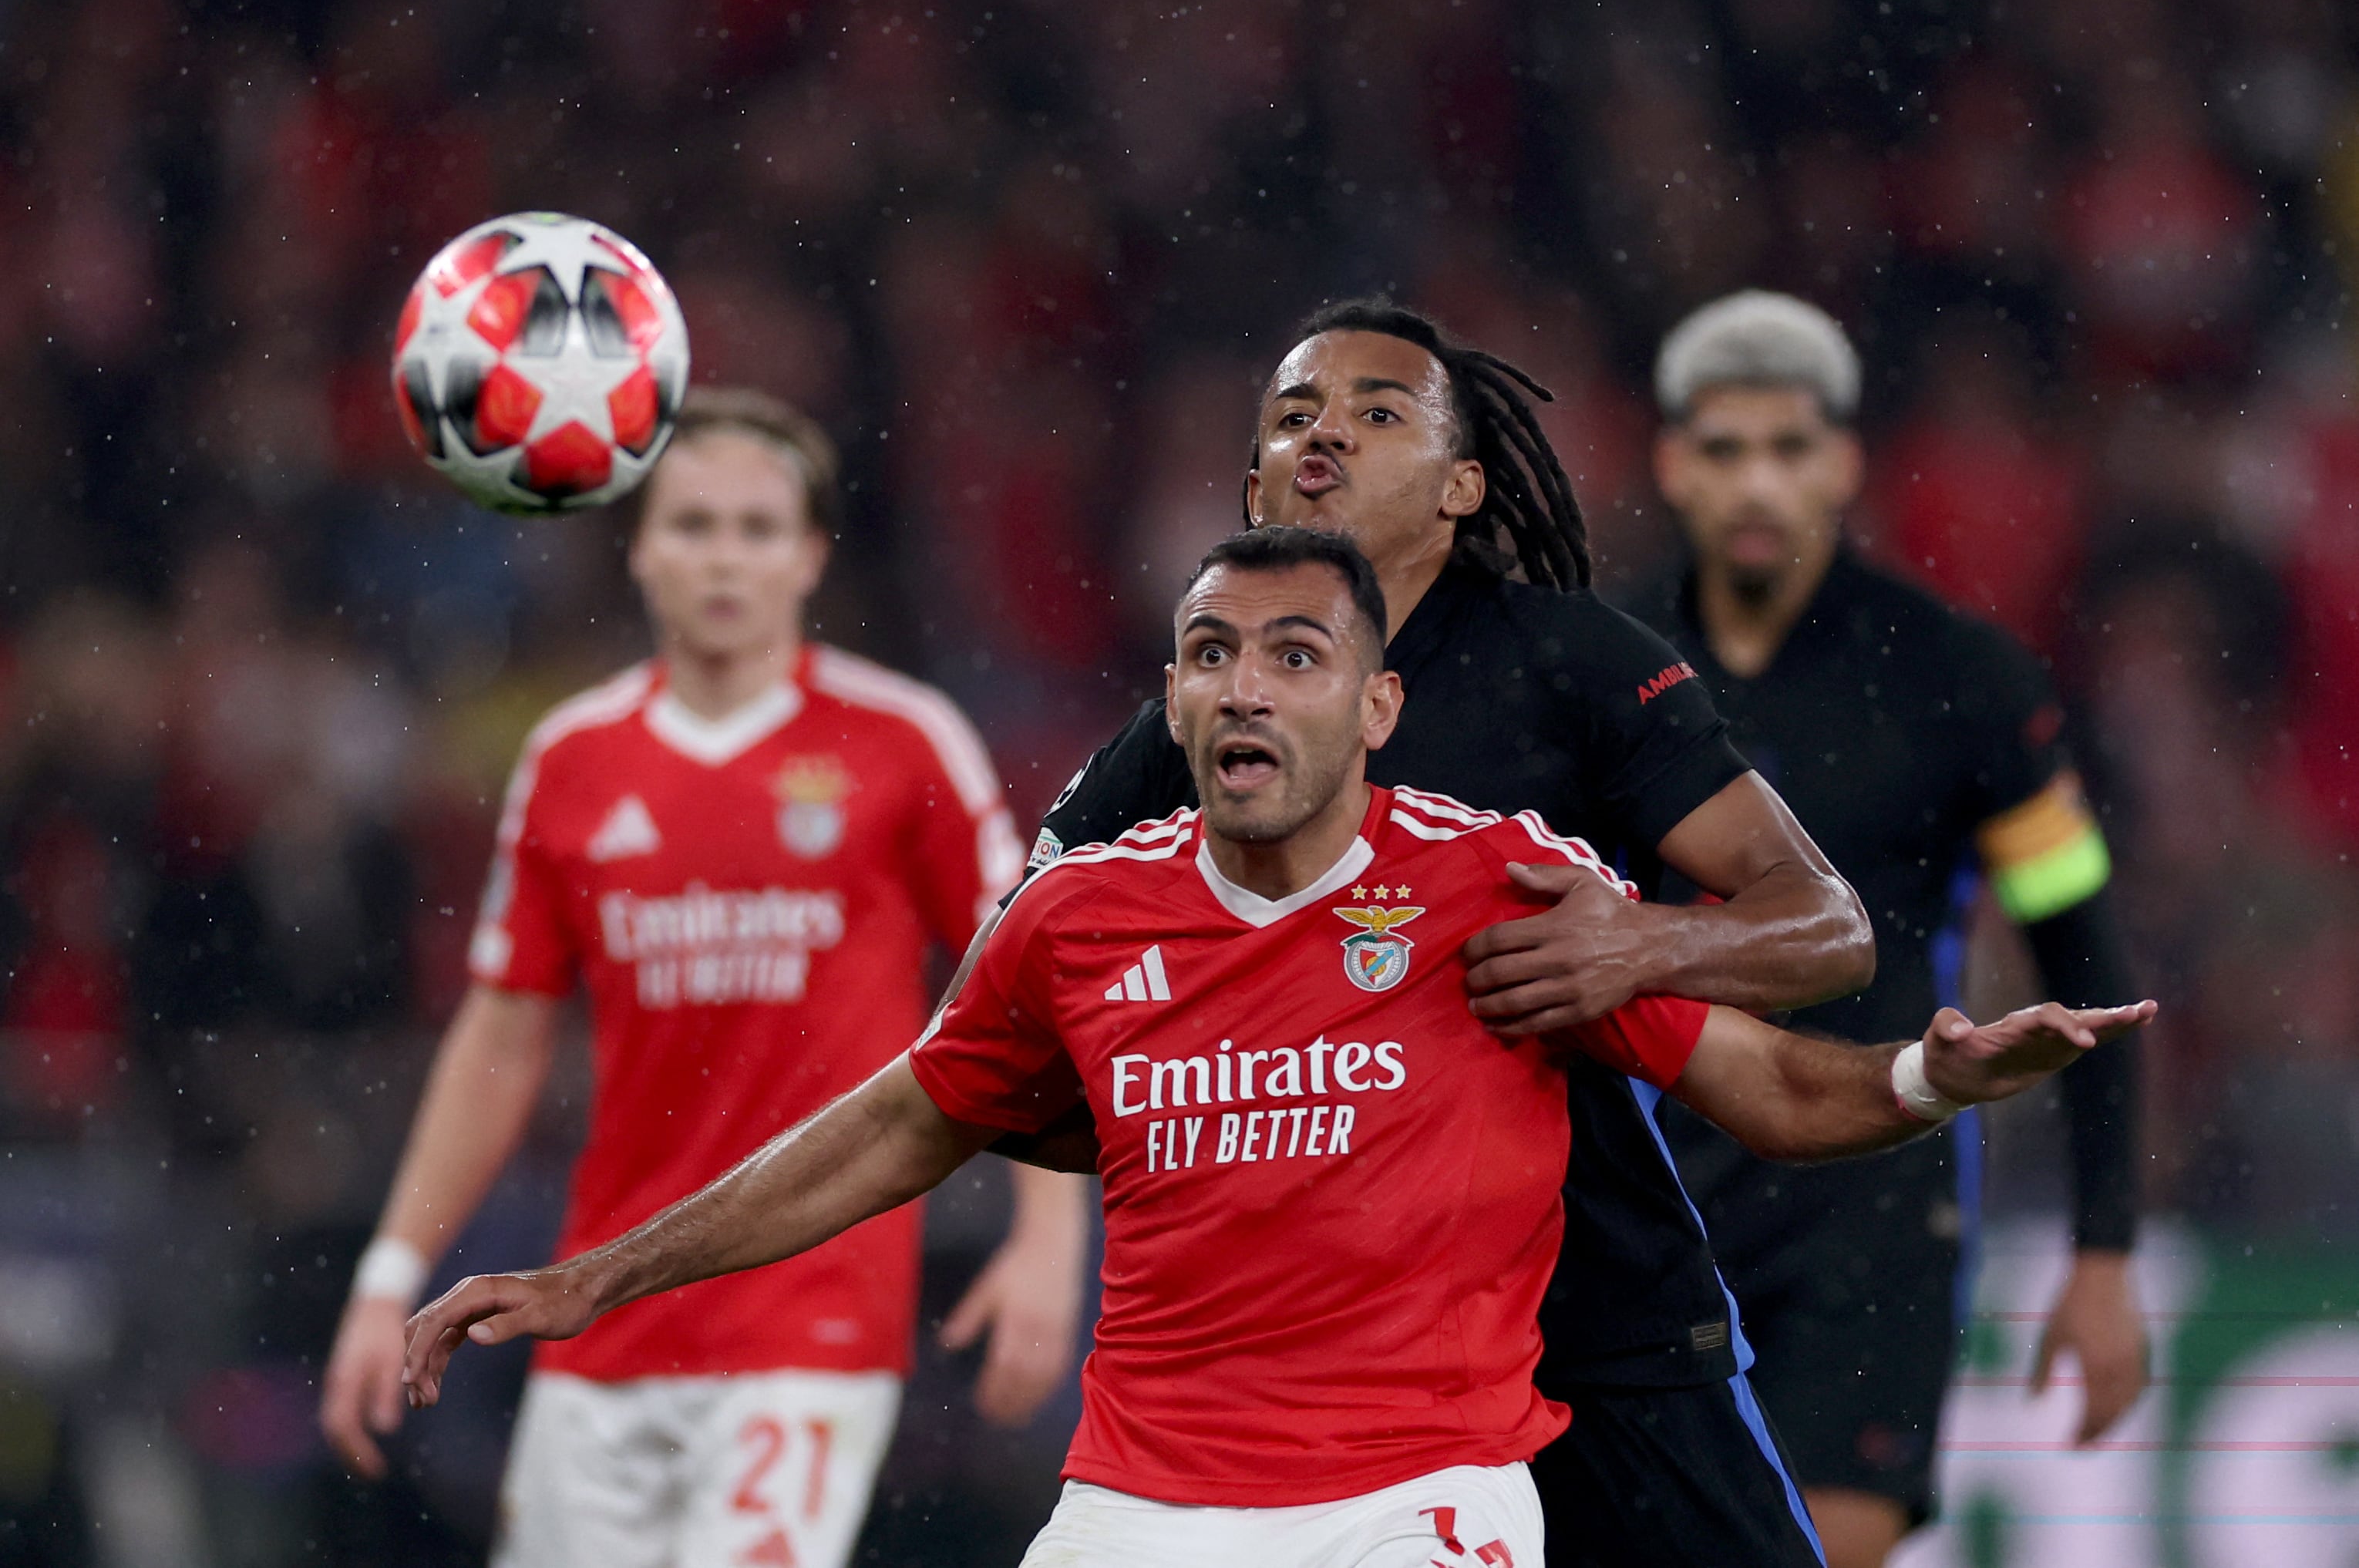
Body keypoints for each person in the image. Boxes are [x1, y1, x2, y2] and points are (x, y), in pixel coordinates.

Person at [395, 528, 2150, 1568]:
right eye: (1211, 654)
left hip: (1418, 1506)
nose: (1244, 685)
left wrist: (1931, 1078)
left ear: (1375, 707)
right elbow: (894, 1126)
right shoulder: (1077, 919)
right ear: (1173, 699)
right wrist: (593, 1278)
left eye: (1294, 656)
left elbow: (1766, 1083)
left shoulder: (1498, 885)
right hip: (1140, 1510)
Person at [1025, 300, 1873, 1565]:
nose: (1324, 436)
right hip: (1341, 1382)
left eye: (1376, 414)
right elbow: (1010, 1018)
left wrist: (1637, 945)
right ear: (1254, 490)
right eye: (1293, 418)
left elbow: (1825, 925)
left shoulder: (1575, 665)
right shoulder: (1192, 733)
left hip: (1604, 1315)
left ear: (1462, 487)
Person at [318, 389, 1089, 1568]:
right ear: (639, 549)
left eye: (757, 527)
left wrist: (1048, 1237)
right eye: (693, 524)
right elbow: (501, 1036)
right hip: (600, 1306)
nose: (725, 557)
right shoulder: (573, 760)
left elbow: (1021, 987)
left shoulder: (902, 741)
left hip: (812, 1308)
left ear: (811, 555)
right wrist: (390, 1276)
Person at [1635, 291, 2148, 1568]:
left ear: (1846, 463)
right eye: (1726, 448)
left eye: (1790, 447)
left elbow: (2087, 960)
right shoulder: (1601, 670)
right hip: (1649, 1196)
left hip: (1873, 1199)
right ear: (1673, 464)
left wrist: (2103, 1254)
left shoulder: (1965, 683)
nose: (1759, 481)